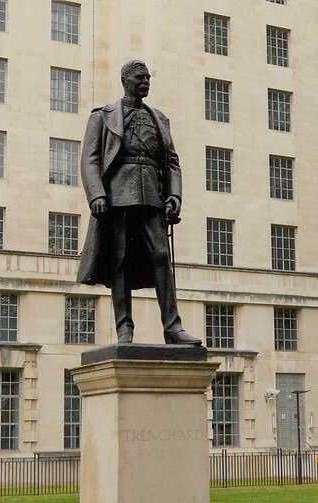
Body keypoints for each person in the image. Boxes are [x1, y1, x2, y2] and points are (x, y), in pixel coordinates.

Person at [76, 60, 201, 346]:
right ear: (125, 80)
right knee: (118, 261)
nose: (146, 81)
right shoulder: (103, 116)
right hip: (118, 197)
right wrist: (96, 194)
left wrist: (174, 195)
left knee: (161, 257)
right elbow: (90, 159)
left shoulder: (159, 118)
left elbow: (171, 162)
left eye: (148, 78)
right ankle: (124, 329)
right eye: (140, 77)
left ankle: (173, 327)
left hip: (152, 196)